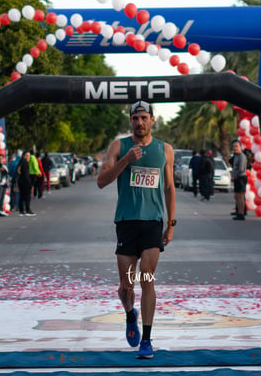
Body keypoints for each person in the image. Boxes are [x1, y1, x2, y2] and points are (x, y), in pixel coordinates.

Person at [97, 100, 176, 360]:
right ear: (130, 121)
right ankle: (130, 314)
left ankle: (147, 339)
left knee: (147, 277)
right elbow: (101, 181)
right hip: (127, 223)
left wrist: (171, 223)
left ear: (153, 120)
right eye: (135, 118)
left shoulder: (164, 149)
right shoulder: (119, 146)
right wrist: (126, 161)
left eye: (144, 117)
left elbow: (169, 188)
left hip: (152, 224)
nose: (139, 122)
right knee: (126, 286)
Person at [230, 139, 248, 220]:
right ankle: (239, 212)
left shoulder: (242, 156)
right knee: (236, 196)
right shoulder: (235, 156)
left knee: (240, 196)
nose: (235, 148)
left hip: (241, 178)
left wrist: (234, 176)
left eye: (236, 146)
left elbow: (241, 169)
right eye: (234, 146)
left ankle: (241, 213)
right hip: (237, 178)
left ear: (240, 147)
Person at [17, 150, 36, 216]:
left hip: (21, 181)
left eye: (29, 156)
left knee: (22, 197)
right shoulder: (24, 163)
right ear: (24, 156)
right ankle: (27, 210)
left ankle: (22, 210)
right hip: (25, 182)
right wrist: (29, 183)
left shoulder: (21, 162)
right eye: (27, 156)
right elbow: (25, 174)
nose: (28, 157)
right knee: (27, 197)